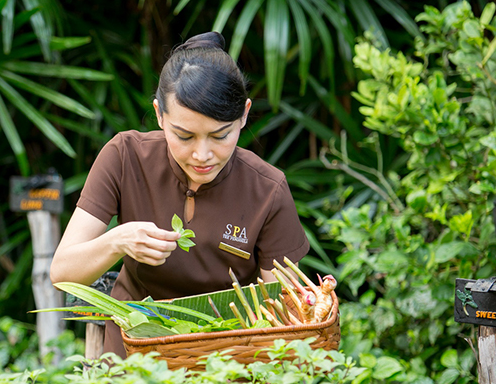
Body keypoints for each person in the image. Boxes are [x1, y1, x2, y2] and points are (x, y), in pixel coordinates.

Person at [50, 31, 309, 358]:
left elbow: (284, 312)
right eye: (184, 136)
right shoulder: (125, 156)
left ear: (244, 114)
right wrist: (117, 241)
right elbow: (62, 273)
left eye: (220, 135)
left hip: (229, 362)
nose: (203, 155)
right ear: (159, 114)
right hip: (134, 357)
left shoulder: (267, 189)